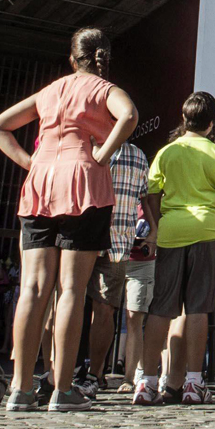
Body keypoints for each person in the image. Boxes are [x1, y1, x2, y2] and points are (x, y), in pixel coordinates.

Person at [0, 26, 138, 412]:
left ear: (72, 59)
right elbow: (130, 116)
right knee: (71, 289)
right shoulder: (106, 90)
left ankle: (20, 388)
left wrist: (29, 162)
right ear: (104, 58)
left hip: (40, 184)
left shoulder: (50, 90)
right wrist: (102, 154)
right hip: (85, 184)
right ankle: (63, 388)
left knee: (33, 289)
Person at [133, 93, 215, 406]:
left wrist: (156, 226)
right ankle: (194, 384)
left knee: (160, 308)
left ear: (184, 119)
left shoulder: (167, 152)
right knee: (197, 309)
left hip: (171, 231)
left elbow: (152, 193)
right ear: (211, 122)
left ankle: (148, 382)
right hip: (208, 230)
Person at [78, 139, 149, 396]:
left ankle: (95, 374)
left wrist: (152, 230)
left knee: (104, 307)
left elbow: (146, 196)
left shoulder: (136, 155)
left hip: (115, 241)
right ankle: (66, 370)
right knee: (76, 301)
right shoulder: (84, 144)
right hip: (84, 237)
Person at [120, 206, 156, 393]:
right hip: (115, 256)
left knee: (135, 316)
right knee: (103, 311)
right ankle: (95, 374)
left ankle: (130, 376)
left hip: (142, 260)